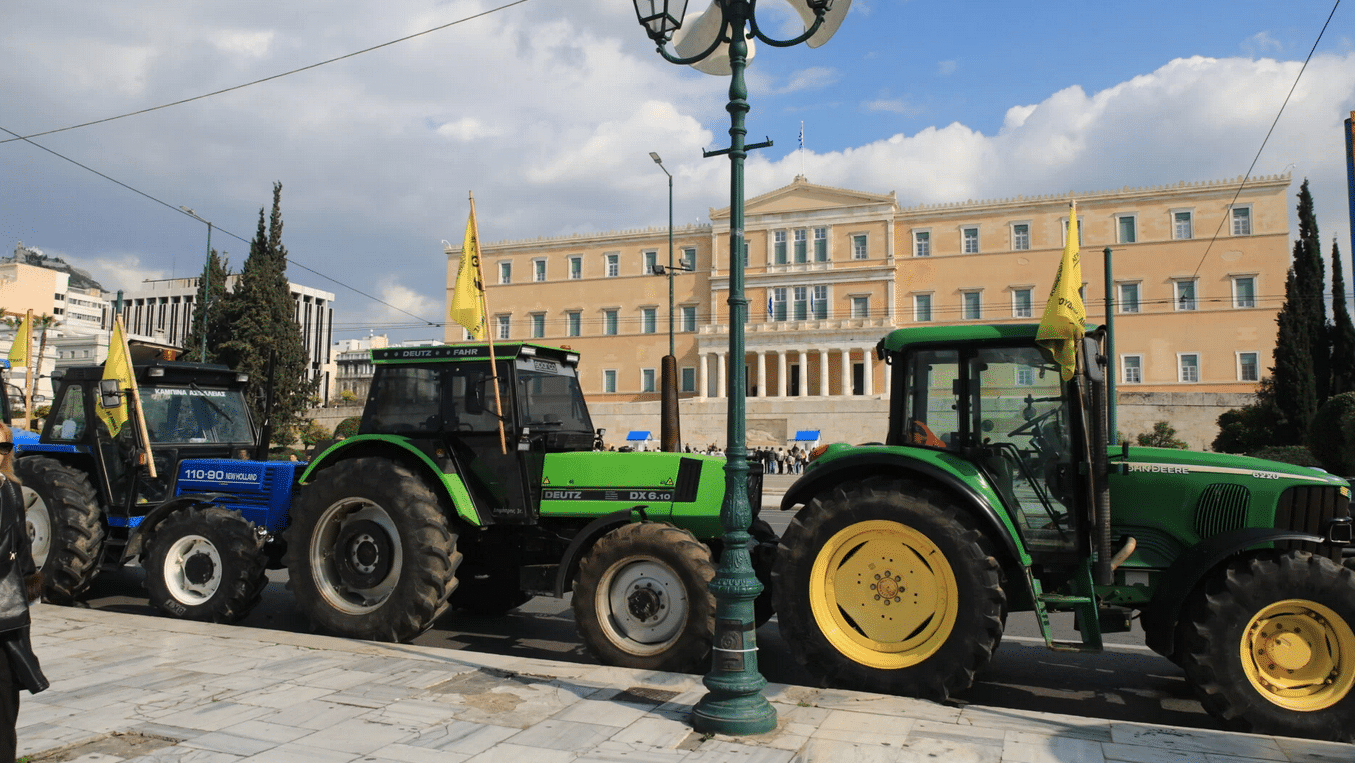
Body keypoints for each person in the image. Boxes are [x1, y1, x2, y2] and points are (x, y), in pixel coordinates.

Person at [0, 422, 48, 761]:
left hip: (6, 609)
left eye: (2, 448)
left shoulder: (11, 490)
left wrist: (29, 582)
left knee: (5, 703)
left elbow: (21, 547)